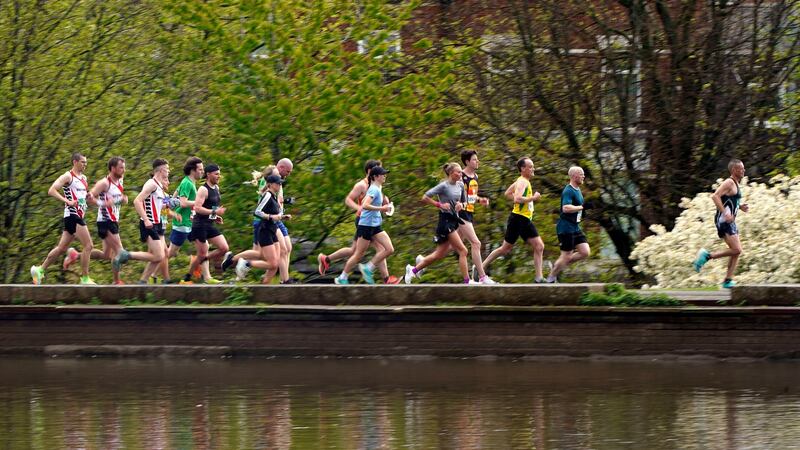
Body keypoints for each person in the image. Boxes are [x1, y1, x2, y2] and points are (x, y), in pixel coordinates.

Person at [318, 159, 399, 284]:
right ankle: (382, 277)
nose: (383, 174)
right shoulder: (361, 185)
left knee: (355, 251)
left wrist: (385, 202)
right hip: (363, 221)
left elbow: (378, 200)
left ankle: (327, 259)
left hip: (373, 221)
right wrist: (359, 208)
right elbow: (348, 200)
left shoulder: (376, 186)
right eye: (379, 170)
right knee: (374, 250)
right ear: (371, 171)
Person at [31, 152, 96, 285]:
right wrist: (67, 201)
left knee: (61, 248)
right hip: (73, 215)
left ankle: (39, 269)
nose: (85, 165)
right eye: (83, 162)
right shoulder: (68, 176)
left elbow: (80, 195)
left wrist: (88, 197)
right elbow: (52, 190)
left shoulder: (84, 178)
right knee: (89, 245)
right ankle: (85, 278)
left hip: (78, 214)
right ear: (75, 162)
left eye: (86, 162)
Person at [404, 163, 472, 284]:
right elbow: (424, 197)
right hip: (445, 221)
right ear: (451, 173)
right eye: (459, 172)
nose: (461, 174)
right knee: (463, 251)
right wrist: (439, 204)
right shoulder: (443, 186)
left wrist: (461, 205)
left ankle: (413, 270)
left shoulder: (461, 185)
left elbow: (465, 202)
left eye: (461, 172)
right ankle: (467, 281)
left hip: (454, 220)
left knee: (439, 255)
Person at [481, 157, 545, 282]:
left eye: (533, 166)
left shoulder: (521, 181)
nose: (533, 169)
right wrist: (533, 198)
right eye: (530, 166)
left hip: (517, 218)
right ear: (523, 168)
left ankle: (480, 268)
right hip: (521, 218)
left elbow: (507, 193)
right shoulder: (523, 182)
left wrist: (523, 202)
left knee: (505, 249)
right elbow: (517, 199)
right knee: (539, 246)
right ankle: (539, 278)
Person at [692, 159, 749, 288]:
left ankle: (728, 280)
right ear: (734, 170)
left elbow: (729, 200)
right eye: (741, 168)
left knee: (736, 252)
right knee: (736, 249)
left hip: (730, 221)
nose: (744, 171)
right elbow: (715, 196)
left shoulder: (736, 184)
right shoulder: (729, 182)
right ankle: (707, 256)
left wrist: (740, 207)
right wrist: (725, 213)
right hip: (724, 221)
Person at [112, 159, 171, 284]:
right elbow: (137, 201)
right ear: (161, 170)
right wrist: (146, 219)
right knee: (159, 256)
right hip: (150, 224)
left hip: (157, 223)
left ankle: (143, 282)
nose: (169, 171)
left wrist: (171, 203)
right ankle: (126, 255)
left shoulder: (159, 186)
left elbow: (159, 205)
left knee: (162, 254)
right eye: (167, 169)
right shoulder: (152, 184)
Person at [335, 166, 395, 284]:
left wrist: (385, 206)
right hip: (366, 225)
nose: (385, 176)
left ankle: (368, 267)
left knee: (389, 249)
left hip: (375, 225)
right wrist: (382, 208)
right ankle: (342, 277)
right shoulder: (373, 189)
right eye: (383, 174)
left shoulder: (378, 188)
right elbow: (364, 204)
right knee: (358, 254)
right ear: (376, 177)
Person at [159, 156, 213, 284]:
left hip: (191, 223)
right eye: (200, 169)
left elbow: (176, 195)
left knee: (203, 248)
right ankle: (153, 274)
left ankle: (206, 277)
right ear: (192, 170)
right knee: (171, 253)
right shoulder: (187, 183)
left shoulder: (190, 183)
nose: (202, 172)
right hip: (182, 224)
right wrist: (199, 202)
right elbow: (183, 203)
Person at [82, 157, 128, 284]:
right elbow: (89, 198)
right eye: (121, 168)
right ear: (113, 168)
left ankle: (75, 256)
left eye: (124, 168)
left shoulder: (120, 181)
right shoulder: (104, 183)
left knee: (106, 255)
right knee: (120, 253)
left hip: (114, 221)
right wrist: (104, 203)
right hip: (105, 222)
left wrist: (123, 199)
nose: (123, 171)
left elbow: (116, 199)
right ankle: (116, 281)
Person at [182, 164, 230, 283]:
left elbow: (212, 206)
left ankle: (201, 261)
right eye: (216, 174)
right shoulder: (203, 189)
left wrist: (215, 217)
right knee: (202, 254)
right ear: (208, 174)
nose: (219, 176)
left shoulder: (216, 188)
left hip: (209, 224)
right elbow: (197, 208)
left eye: (219, 173)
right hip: (199, 226)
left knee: (224, 248)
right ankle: (187, 276)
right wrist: (214, 211)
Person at [547, 166, 591, 283]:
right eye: (581, 174)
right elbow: (565, 208)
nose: (583, 176)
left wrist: (583, 211)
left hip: (575, 227)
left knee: (585, 252)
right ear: (574, 176)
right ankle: (551, 277)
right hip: (566, 227)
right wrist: (582, 207)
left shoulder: (578, 190)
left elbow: (577, 208)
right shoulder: (568, 190)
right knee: (566, 255)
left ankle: (557, 265)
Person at [458, 150, 496, 284]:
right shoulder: (461, 176)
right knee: (476, 243)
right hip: (460, 213)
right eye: (474, 159)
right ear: (467, 162)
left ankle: (419, 264)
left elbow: (471, 196)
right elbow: (456, 194)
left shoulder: (475, 176)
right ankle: (482, 276)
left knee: (450, 247)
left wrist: (481, 200)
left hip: (469, 212)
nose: (477, 161)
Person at [251, 174, 288, 283]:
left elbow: (274, 215)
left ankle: (264, 286)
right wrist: (271, 217)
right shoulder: (267, 195)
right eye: (278, 183)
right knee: (272, 263)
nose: (280, 185)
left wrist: (283, 217)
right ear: (270, 184)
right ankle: (247, 263)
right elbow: (257, 212)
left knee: (275, 264)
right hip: (265, 231)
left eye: (280, 183)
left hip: (272, 230)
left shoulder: (274, 196)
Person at [275, 158, 296, 283]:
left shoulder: (280, 181)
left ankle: (284, 278)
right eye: (288, 171)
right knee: (282, 249)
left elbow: (279, 198)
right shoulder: (272, 178)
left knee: (288, 247)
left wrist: (286, 201)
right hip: (272, 218)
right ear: (281, 167)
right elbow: (269, 196)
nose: (289, 174)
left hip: (279, 217)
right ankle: (285, 280)